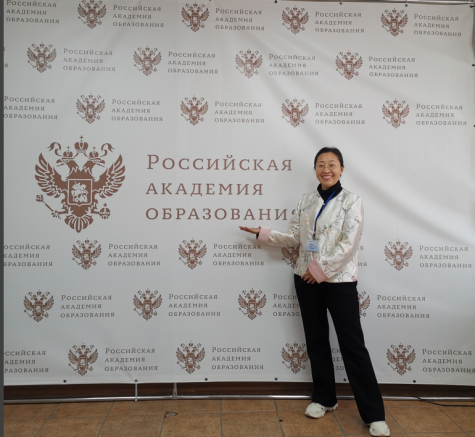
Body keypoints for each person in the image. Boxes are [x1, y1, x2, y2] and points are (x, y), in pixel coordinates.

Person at [239, 147, 389, 437]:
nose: (326, 169)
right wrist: (263, 233)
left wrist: (319, 270)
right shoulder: (306, 200)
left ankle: (374, 415)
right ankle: (324, 398)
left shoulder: (352, 201)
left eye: (332, 164)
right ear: (315, 169)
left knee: (353, 346)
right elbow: (295, 238)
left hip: (339, 282)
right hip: (305, 280)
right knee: (316, 341)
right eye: (320, 164)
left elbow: (349, 244)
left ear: (342, 169)